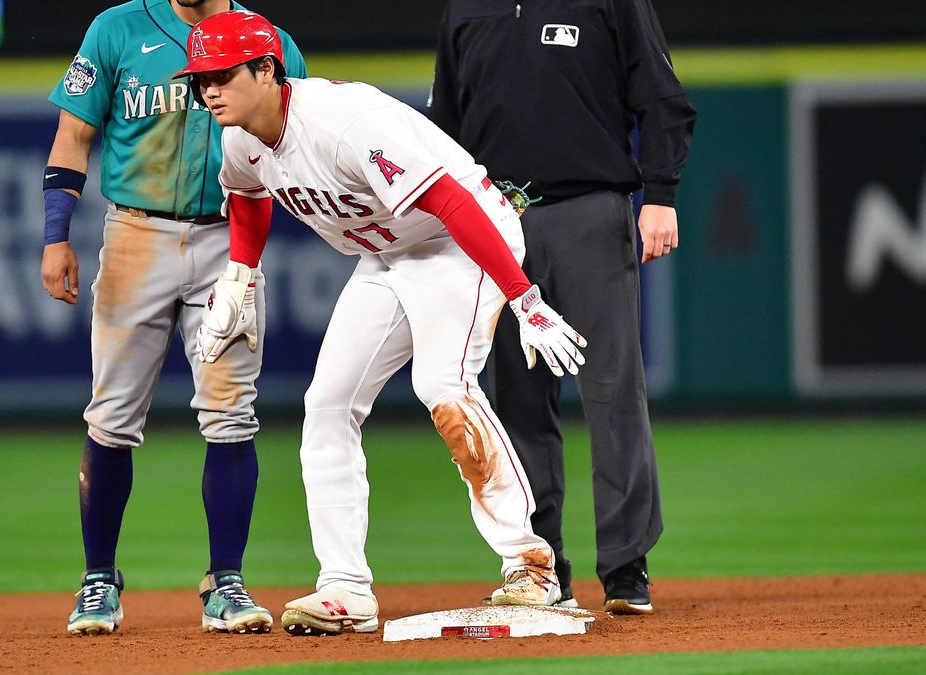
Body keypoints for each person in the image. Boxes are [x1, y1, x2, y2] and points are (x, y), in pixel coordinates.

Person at [176, 10, 588, 637]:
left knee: (443, 386)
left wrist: (525, 299)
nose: (209, 89)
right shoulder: (239, 137)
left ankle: (531, 566)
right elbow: (248, 198)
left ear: (266, 69)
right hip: (388, 252)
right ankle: (345, 589)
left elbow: (452, 199)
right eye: (201, 77)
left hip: (461, 239)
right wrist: (238, 277)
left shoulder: (344, 125)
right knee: (327, 403)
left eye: (223, 74)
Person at [40, 0, 306, 636]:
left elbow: (298, 140)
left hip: (229, 241)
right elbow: (74, 133)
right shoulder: (116, 29)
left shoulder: (268, 40)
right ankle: (98, 580)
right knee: (111, 414)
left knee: (230, 412)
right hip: (136, 234)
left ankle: (228, 583)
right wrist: (56, 235)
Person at [428, 0, 698, 615]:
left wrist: (661, 194)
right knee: (517, 403)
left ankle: (627, 568)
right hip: (494, 225)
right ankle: (540, 565)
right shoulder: (465, 10)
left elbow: (661, 96)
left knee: (612, 392)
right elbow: (441, 128)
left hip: (589, 211)